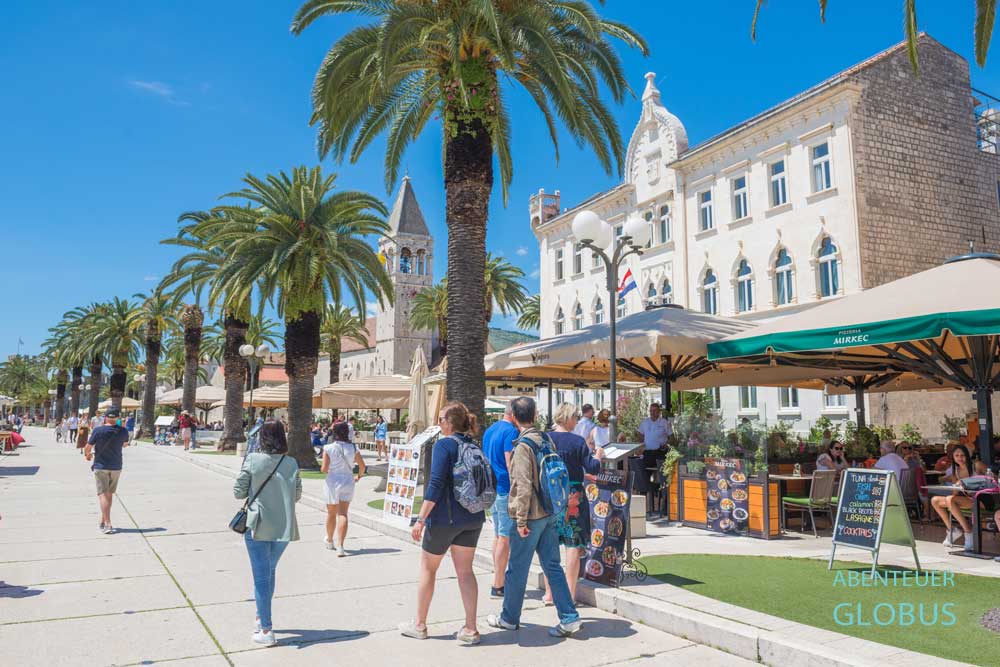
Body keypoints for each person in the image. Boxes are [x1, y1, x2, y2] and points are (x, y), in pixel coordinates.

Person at [487, 396, 582, 639]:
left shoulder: (523, 446)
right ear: (535, 414)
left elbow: (523, 485)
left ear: (514, 417)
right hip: (550, 512)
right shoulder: (545, 439)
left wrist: (519, 521)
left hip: (530, 517)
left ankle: (509, 618)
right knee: (552, 566)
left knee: (517, 569)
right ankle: (569, 618)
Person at [400, 401, 484, 645]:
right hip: (472, 517)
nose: (438, 423)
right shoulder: (472, 445)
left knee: (428, 569)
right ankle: (471, 628)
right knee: (466, 572)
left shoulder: (444, 445)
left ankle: (419, 624)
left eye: (441, 419)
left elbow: (435, 484)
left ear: (449, 423)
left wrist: (421, 519)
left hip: (445, 519)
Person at [234, 420, 302, 647]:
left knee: (262, 578)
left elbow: (238, 491)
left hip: (259, 526)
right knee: (269, 571)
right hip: (284, 527)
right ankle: (259, 616)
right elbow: (297, 494)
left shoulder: (253, 459)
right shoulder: (291, 462)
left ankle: (267, 629)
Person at [543, 403, 603, 604]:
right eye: (576, 418)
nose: (577, 421)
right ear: (569, 418)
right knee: (572, 544)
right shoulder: (577, 442)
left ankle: (549, 594)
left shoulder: (545, 439)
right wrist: (599, 456)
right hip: (573, 497)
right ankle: (569, 595)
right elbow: (593, 467)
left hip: (549, 496)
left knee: (549, 545)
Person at [481, 402, 519, 599]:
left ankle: (497, 578)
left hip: (491, 488)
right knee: (504, 536)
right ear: (513, 414)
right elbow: (509, 460)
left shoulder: (490, 430)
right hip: (504, 488)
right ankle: (498, 584)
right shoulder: (511, 431)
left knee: (497, 535)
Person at [321, 421, 366, 556]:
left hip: (333, 482)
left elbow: (324, 469)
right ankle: (340, 546)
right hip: (348, 481)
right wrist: (358, 476)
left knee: (331, 513)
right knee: (343, 513)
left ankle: (329, 540)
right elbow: (362, 467)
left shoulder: (328, 448)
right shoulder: (353, 448)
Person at [84, 407, 130, 534]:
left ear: (105, 417)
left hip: (101, 466)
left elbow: (88, 447)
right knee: (109, 494)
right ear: (117, 418)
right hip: (116, 466)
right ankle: (103, 520)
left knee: (103, 495)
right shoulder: (123, 431)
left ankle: (108, 524)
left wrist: (87, 455)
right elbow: (125, 444)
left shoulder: (98, 430)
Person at [930, 444, 975, 548]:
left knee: (950, 499)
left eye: (962, 455)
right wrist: (956, 487)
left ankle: (968, 531)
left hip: (979, 499)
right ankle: (952, 530)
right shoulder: (956, 472)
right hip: (964, 499)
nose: (960, 458)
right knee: (935, 500)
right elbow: (955, 494)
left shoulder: (976, 465)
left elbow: (993, 480)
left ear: (967, 455)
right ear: (953, 458)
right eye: (957, 456)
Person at [638, 402, 672, 471]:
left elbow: (672, 437)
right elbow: (639, 434)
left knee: (661, 473)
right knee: (646, 473)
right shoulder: (645, 422)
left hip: (660, 452)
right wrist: (642, 445)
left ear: (659, 412)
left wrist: (666, 445)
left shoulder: (664, 422)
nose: (652, 413)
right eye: (651, 411)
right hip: (647, 453)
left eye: (654, 411)